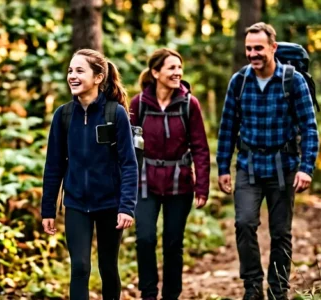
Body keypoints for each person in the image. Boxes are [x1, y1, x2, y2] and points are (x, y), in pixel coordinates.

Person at [216, 22, 319, 300]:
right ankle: (252, 287)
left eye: (259, 48)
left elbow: (309, 127)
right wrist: (223, 167)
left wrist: (306, 168)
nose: (253, 54)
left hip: (283, 167)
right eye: (249, 48)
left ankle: (278, 291)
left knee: (280, 233)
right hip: (248, 167)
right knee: (244, 223)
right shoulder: (239, 81)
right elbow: (228, 127)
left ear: (273, 47)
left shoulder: (293, 81)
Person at [40, 49, 138, 300]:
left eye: (79, 71)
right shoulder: (63, 116)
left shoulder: (115, 113)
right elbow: (53, 166)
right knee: (80, 267)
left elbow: (129, 164)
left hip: (110, 204)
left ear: (98, 77)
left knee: (108, 267)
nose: (72, 76)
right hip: (76, 204)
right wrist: (48, 209)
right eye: (70, 71)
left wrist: (126, 207)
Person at [129, 48, 211, 300]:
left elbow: (200, 147)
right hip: (145, 182)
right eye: (171, 68)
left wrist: (202, 186)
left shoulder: (189, 104)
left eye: (179, 67)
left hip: (179, 183)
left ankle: (171, 295)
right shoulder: (139, 104)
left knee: (173, 243)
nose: (178, 73)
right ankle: (148, 294)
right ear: (155, 73)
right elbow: (129, 147)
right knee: (145, 239)